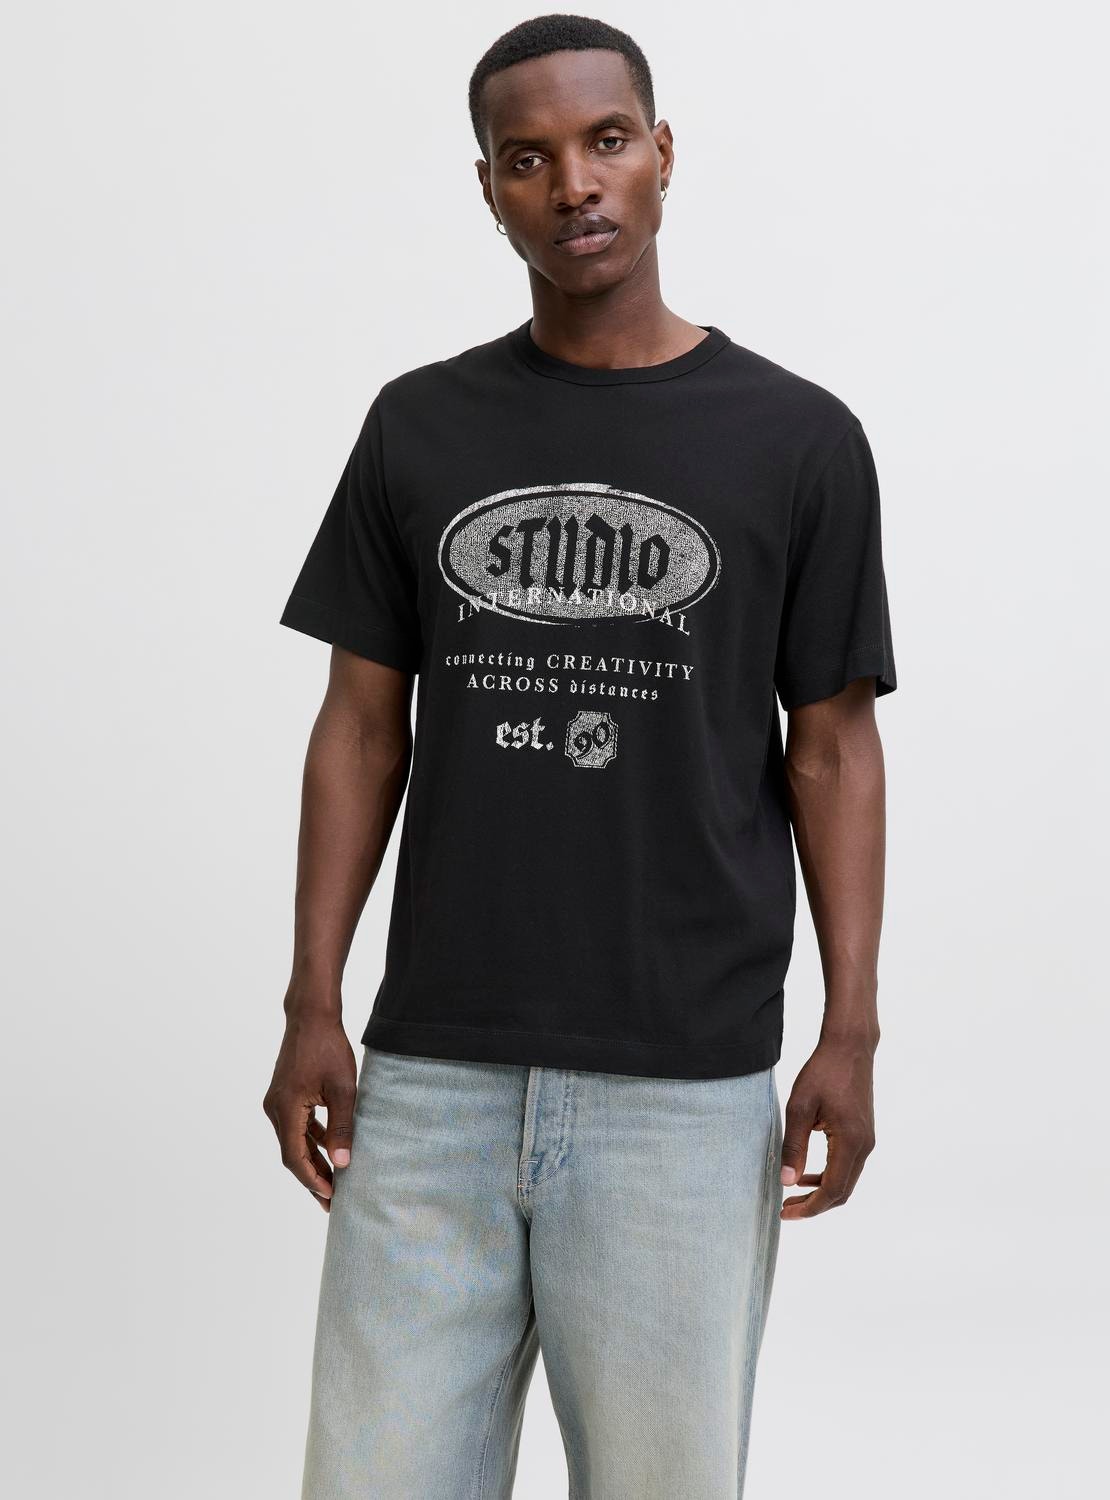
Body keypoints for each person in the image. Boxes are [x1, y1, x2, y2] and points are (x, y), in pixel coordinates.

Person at [264, 13, 896, 1498]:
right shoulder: (419, 425)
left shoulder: (797, 439)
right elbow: (360, 725)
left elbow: (830, 750)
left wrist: (852, 1030)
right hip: (431, 1078)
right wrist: (311, 1002)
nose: (574, 184)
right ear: (488, 188)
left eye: (606, 141)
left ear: (662, 154)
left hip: (683, 1085)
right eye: (527, 157)